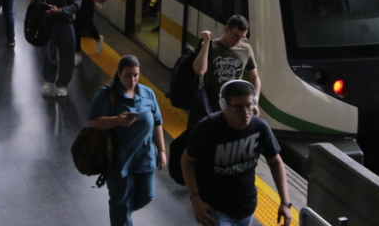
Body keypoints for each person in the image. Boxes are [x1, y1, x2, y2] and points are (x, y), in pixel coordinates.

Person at [181, 80, 292, 226]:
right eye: (237, 107)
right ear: (224, 105)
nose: (246, 112)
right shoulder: (207, 128)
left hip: (247, 207)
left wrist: (285, 202)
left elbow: (275, 162)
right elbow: (187, 160)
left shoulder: (260, 127)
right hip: (216, 208)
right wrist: (195, 198)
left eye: (249, 105)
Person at [89, 55, 166, 226]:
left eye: (136, 75)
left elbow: (157, 123)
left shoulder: (147, 93)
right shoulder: (107, 95)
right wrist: (117, 120)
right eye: (128, 75)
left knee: (147, 195)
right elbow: (94, 122)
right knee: (121, 202)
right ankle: (122, 219)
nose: (132, 79)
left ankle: (122, 215)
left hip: (144, 156)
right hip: (118, 158)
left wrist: (161, 150)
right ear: (119, 73)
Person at [32, 0, 82, 97]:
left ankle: (63, 84)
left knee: (67, 55)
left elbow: (76, 5)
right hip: (49, 23)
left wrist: (59, 11)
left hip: (66, 24)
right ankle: (49, 79)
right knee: (47, 52)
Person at [192, 15, 260, 119]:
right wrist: (206, 42)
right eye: (235, 36)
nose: (238, 41)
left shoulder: (246, 49)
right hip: (211, 108)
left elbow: (255, 77)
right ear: (227, 29)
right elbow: (199, 70)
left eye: (242, 38)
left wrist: (254, 101)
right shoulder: (211, 46)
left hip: (235, 110)